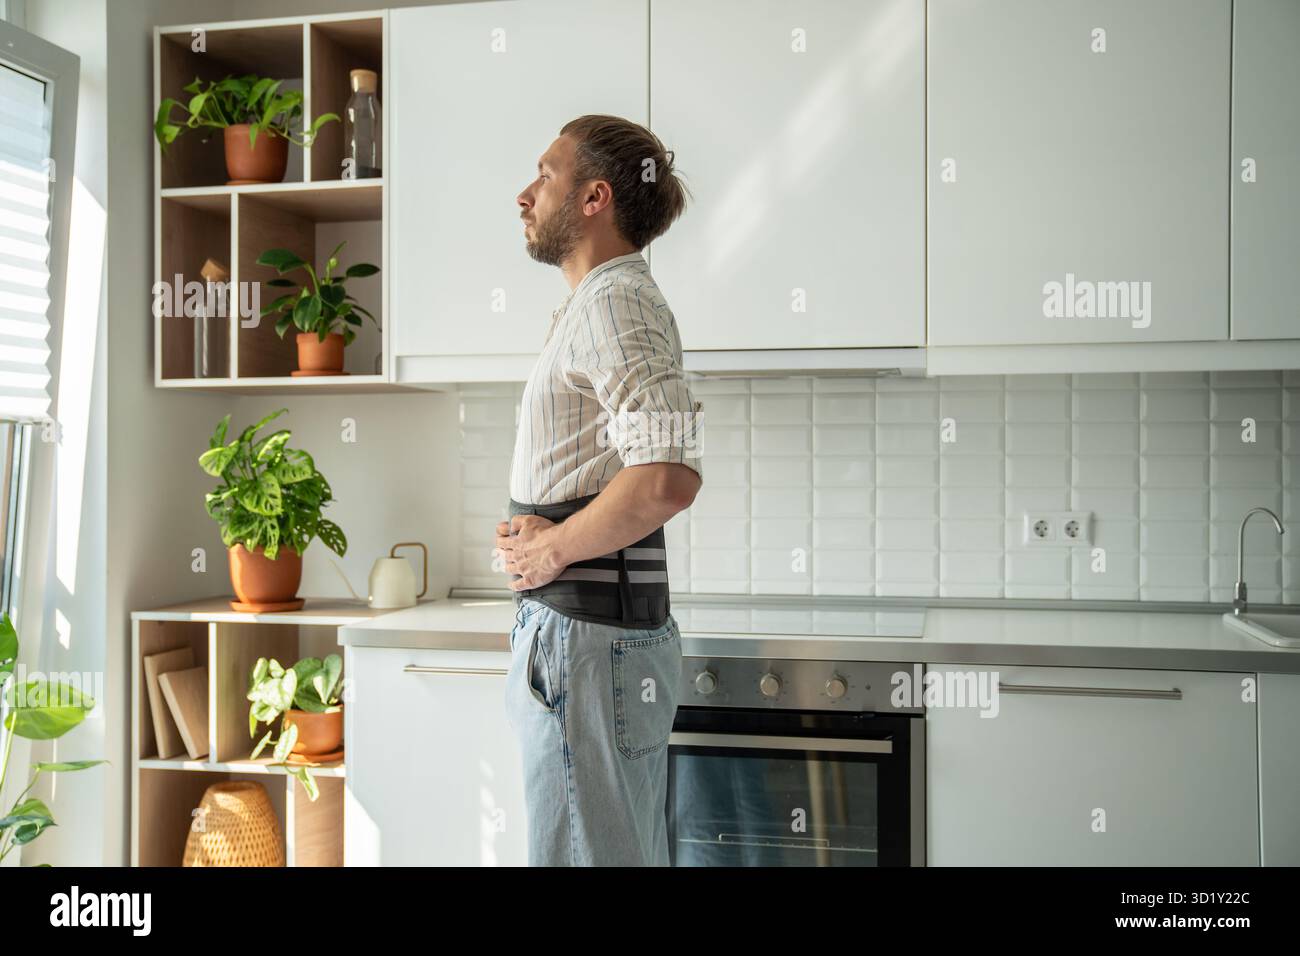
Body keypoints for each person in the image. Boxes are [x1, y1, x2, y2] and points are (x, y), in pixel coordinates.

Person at [494, 114, 704, 866]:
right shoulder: (597, 305)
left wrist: (550, 547)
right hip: (579, 639)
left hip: (583, 642)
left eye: (545, 176)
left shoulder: (615, 302)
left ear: (594, 198)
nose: (525, 195)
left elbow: (666, 477)